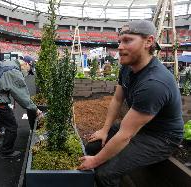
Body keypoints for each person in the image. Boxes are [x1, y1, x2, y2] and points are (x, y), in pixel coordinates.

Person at [78, 20, 183, 187]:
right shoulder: (128, 67)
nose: (119, 46)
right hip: (140, 128)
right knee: (92, 147)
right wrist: (105, 130)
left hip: (161, 138)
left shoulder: (154, 83)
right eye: (119, 41)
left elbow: (126, 135)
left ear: (149, 42)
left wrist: (96, 161)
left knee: (105, 173)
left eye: (127, 40)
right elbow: (117, 99)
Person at [0, 58, 42, 159]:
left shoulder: (9, 63)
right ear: (26, 64)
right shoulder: (14, 72)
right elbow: (22, 96)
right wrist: (36, 109)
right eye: (29, 70)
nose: (27, 73)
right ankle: (6, 151)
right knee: (12, 126)